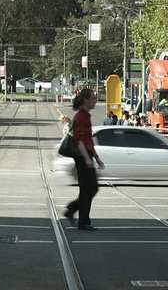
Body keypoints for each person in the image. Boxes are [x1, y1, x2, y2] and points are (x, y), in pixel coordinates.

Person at [63, 89, 105, 231]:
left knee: (89, 189)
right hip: (82, 157)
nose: (95, 101)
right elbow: (79, 139)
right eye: (93, 98)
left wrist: (96, 158)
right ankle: (82, 220)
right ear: (86, 100)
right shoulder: (81, 116)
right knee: (89, 189)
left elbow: (88, 140)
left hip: (86, 155)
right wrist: (87, 158)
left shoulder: (85, 115)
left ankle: (75, 212)